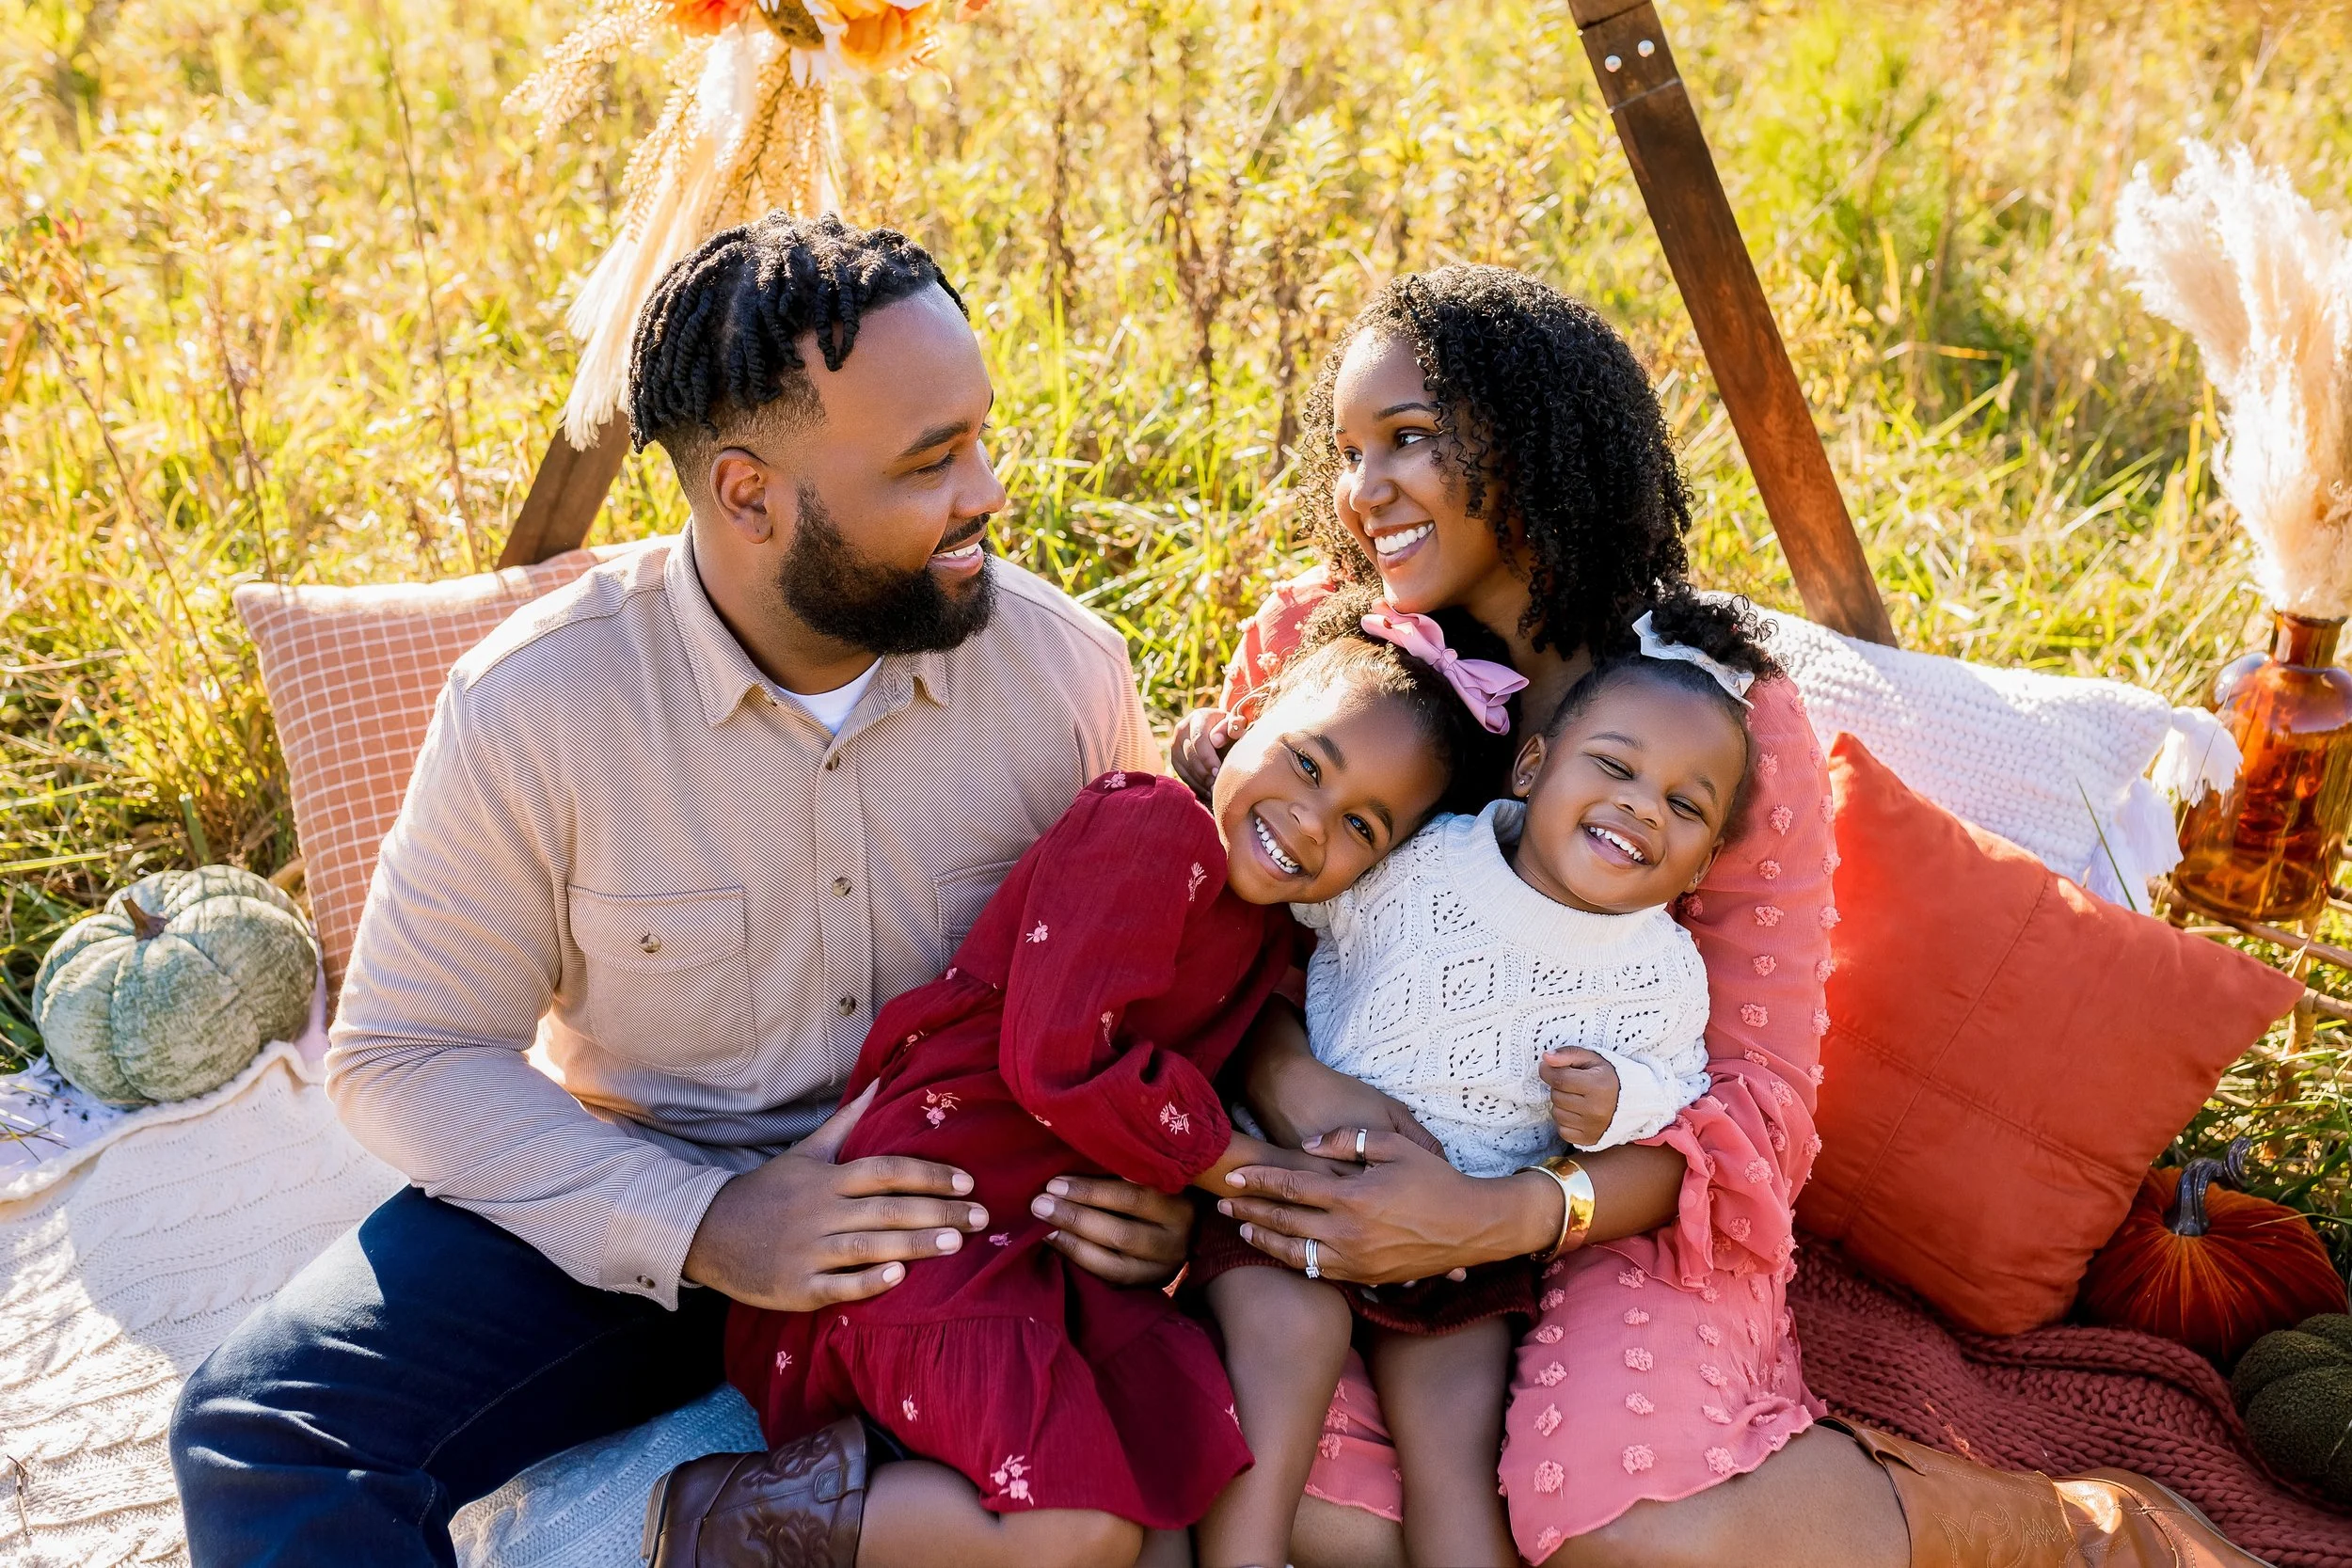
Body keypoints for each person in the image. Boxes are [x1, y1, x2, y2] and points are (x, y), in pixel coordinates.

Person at [1177, 264, 2263, 1567]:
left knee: (1626, 1523)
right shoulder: (1325, 638)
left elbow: (1754, 1102)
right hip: (1360, 1137)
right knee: (1305, 1499)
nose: (1364, 490)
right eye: (1349, 452)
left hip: (1616, 1194)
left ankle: (2076, 1529)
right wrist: (1299, 1089)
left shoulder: (1719, 726)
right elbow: (1213, 921)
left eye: (1409, 441)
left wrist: (1507, 1214)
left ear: (1530, 444)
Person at [168, 214, 1198, 1568]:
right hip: (637, 1202)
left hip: (963, 1215)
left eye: (979, 435)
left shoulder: (1062, 672)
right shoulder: (535, 703)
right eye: (930, 460)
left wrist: (1163, 1189)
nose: (987, 492)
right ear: (747, 493)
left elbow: (1153, 982)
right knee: (262, 1428)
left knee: (1138, 1469)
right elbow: (407, 1052)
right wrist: (704, 1221)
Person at [712, 587, 1517, 1568]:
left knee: (1174, 1482)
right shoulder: (1152, 823)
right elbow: (1059, 1060)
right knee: (1080, 1527)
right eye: (1308, 763)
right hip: (938, 1225)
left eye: (1361, 827)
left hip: (1046, 1248)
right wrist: (1237, 1165)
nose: (1311, 823)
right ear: (1250, 711)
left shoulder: (1262, 932)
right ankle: (726, 1517)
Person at [1194, 595, 1772, 1568]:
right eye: (1616, 766)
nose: (1640, 804)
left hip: (1461, 1245)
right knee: (1276, 1345)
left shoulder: (1658, 969)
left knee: (1455, 1444)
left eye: (1683, 805)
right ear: (1534, 764)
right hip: (1307, 1182)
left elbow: (1675, 1097)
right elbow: (1285, 932)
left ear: (1705, 856)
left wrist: (1615, 1099)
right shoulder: (1425, 858)